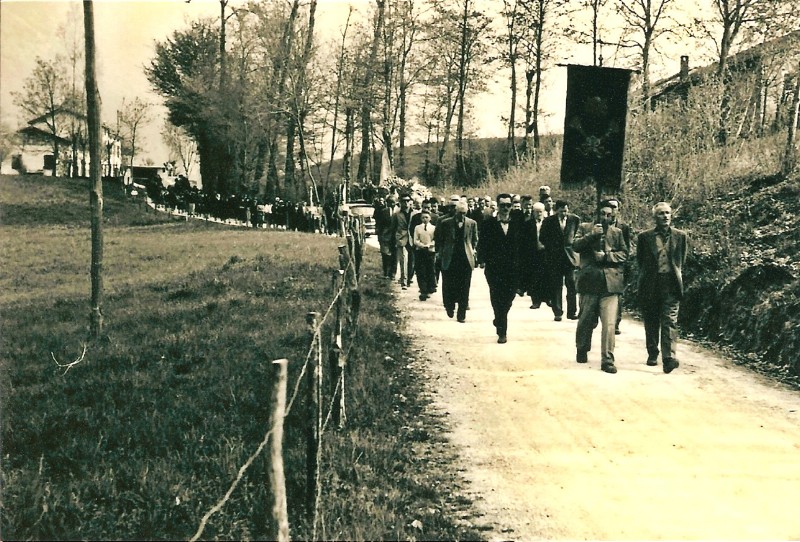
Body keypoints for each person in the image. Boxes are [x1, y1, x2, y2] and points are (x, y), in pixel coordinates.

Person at [573, 203, 629, 374]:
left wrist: (607, 256)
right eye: (602, 214)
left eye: (608, 215)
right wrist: (591, 236)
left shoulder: (617, 233)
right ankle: (582, 348)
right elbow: (575, 246)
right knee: (586, 320)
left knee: (609, 323)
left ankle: (607, 359)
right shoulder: (584, 228)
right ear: (596, 214)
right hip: (589, 283)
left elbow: (625, 254)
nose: (605, 218)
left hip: (610, 285)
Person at [636, 202, 689, 374]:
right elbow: (640, 261)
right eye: (661, 213)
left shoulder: (680, 236)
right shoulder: (644, 237)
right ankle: (653, 352)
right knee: (651, 320)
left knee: (670, 320)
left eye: (667, 213)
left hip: (671, 284)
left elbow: (681, 260)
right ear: (654, 217)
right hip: (651, 283)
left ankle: (668, 358)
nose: (665, 216)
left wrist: (675, 275)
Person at [477, 193, 522, 344]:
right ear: (497, 206)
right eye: (502, 205)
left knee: (509, 298)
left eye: (508, 205)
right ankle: (502, 331)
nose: (505, 208)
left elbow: (524, 246)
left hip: (513, 269)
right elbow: (482, 244)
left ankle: (499, 318)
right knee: (496, 297)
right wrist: (482, 260)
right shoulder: (488, 224)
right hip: (494, 269)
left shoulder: (517, 224)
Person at [436, 198, 478, 323]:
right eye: (460, 213)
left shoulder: (472, 223)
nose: (462, 216)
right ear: (455, 212)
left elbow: (475, 239)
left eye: (464, 213)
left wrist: (472, 251)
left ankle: (462, 313)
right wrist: (441, 252)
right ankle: (449, 306)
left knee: (465, 286)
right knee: (449, 284)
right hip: (450, 258)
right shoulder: (446, 223)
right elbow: (440, 239)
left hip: (465, 259)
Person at [539, 199, 580, 321]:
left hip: (570, 257)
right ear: (557, 210)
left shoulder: (574, 219)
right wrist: (552, 247)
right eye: (562, 211)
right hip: (554, 257)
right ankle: (557, 312)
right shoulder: (548, 221)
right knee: (556, 285)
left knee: (571, 284)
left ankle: (572, 312)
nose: (564, 214)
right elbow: (542, 237)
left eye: (566, 211)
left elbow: (577, 235)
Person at [603, 197, 633, 334]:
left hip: (617, 267)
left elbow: (626, 249)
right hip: (601, 269)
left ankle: (616, 323)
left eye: (615, 207)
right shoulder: (599, 225)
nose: (613, 210)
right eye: (611, 207)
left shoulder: (623, 228)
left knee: (618, 297)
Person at [519, 200, 548, 309]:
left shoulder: (548, 223)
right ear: (533, 212)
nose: (538, 213)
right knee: (534, 277)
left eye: (540, 211)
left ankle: (546, 297)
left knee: (545, 276)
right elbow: (524, 240)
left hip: (545, 253)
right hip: (533, 254)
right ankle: (536, 301)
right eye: (536, 211)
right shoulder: (527, 224)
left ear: (544, 212)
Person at [391, 194, 414, 289]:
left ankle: (409, 278)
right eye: (403, 201)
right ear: (400, 202)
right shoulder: (396, 214)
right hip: (401, 238)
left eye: (407, 201)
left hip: (412, 238)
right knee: (403, 260)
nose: (405, 203)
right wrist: (393, 240)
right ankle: (404, 282)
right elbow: (393, 227)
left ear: (410, 202)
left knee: (412, 261)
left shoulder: (415, 213)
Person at [413, 210, 437, 300]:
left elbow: (436, 239)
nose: (425, 219)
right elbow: (415, 240)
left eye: (426, 217)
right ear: (420, 218)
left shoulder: (434, 228)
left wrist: (430, 245)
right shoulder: (417, 228)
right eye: (423, 217)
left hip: (430, 251)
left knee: (430, 269)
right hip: (420, 251)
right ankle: (423, 290)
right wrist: (422, 245)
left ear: (430, 218)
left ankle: (430, 288)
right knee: (421, 270)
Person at [375, 196, 396, 279]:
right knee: (385, 255)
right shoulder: (383, 212)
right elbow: (379, 224)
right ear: (387, 203)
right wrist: (380, 236)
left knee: (394, 255)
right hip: (385, 235)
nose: (392, 204)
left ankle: (393, 273)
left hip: (395, 236)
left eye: (393, 202)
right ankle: (386, 272)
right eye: (390, 202)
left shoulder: (398, 212)